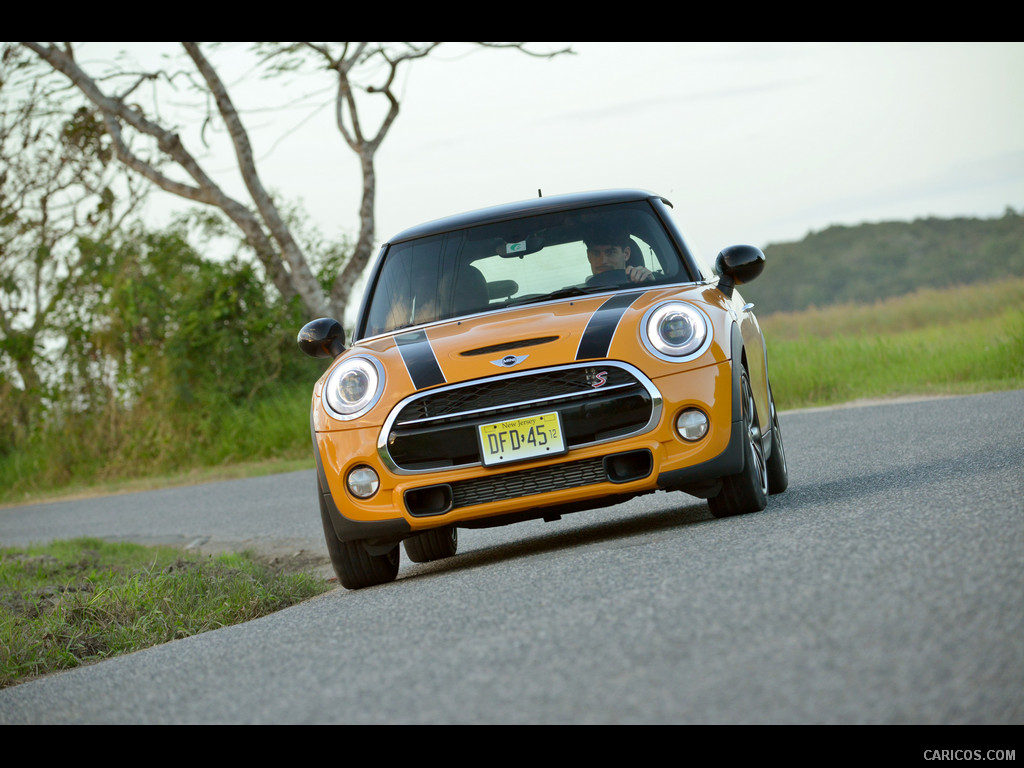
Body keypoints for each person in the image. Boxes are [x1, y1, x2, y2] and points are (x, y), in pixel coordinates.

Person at [583, 227, 655, 286]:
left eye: (610, 252)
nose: (603, 261)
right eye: (595, 253)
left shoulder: (641, 282)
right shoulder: (580, 295)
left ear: (626, 254)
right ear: (589, 256)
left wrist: (651, 284)